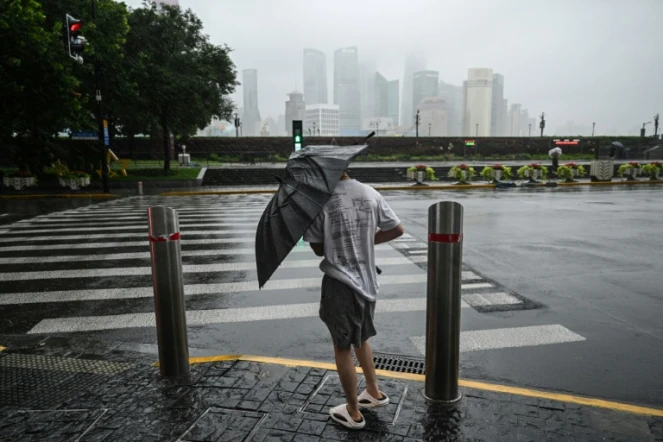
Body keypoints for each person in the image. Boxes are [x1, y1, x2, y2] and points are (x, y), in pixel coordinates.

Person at [304, 171, 404, 430]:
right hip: (368, 281)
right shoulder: (369, 192)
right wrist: (365, 241)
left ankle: (353, 411)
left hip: (340, 283)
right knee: (361, 337)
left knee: (342, 347)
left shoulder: (320, 202)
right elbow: (396, 228)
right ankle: (373, 391)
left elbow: (317, 249)